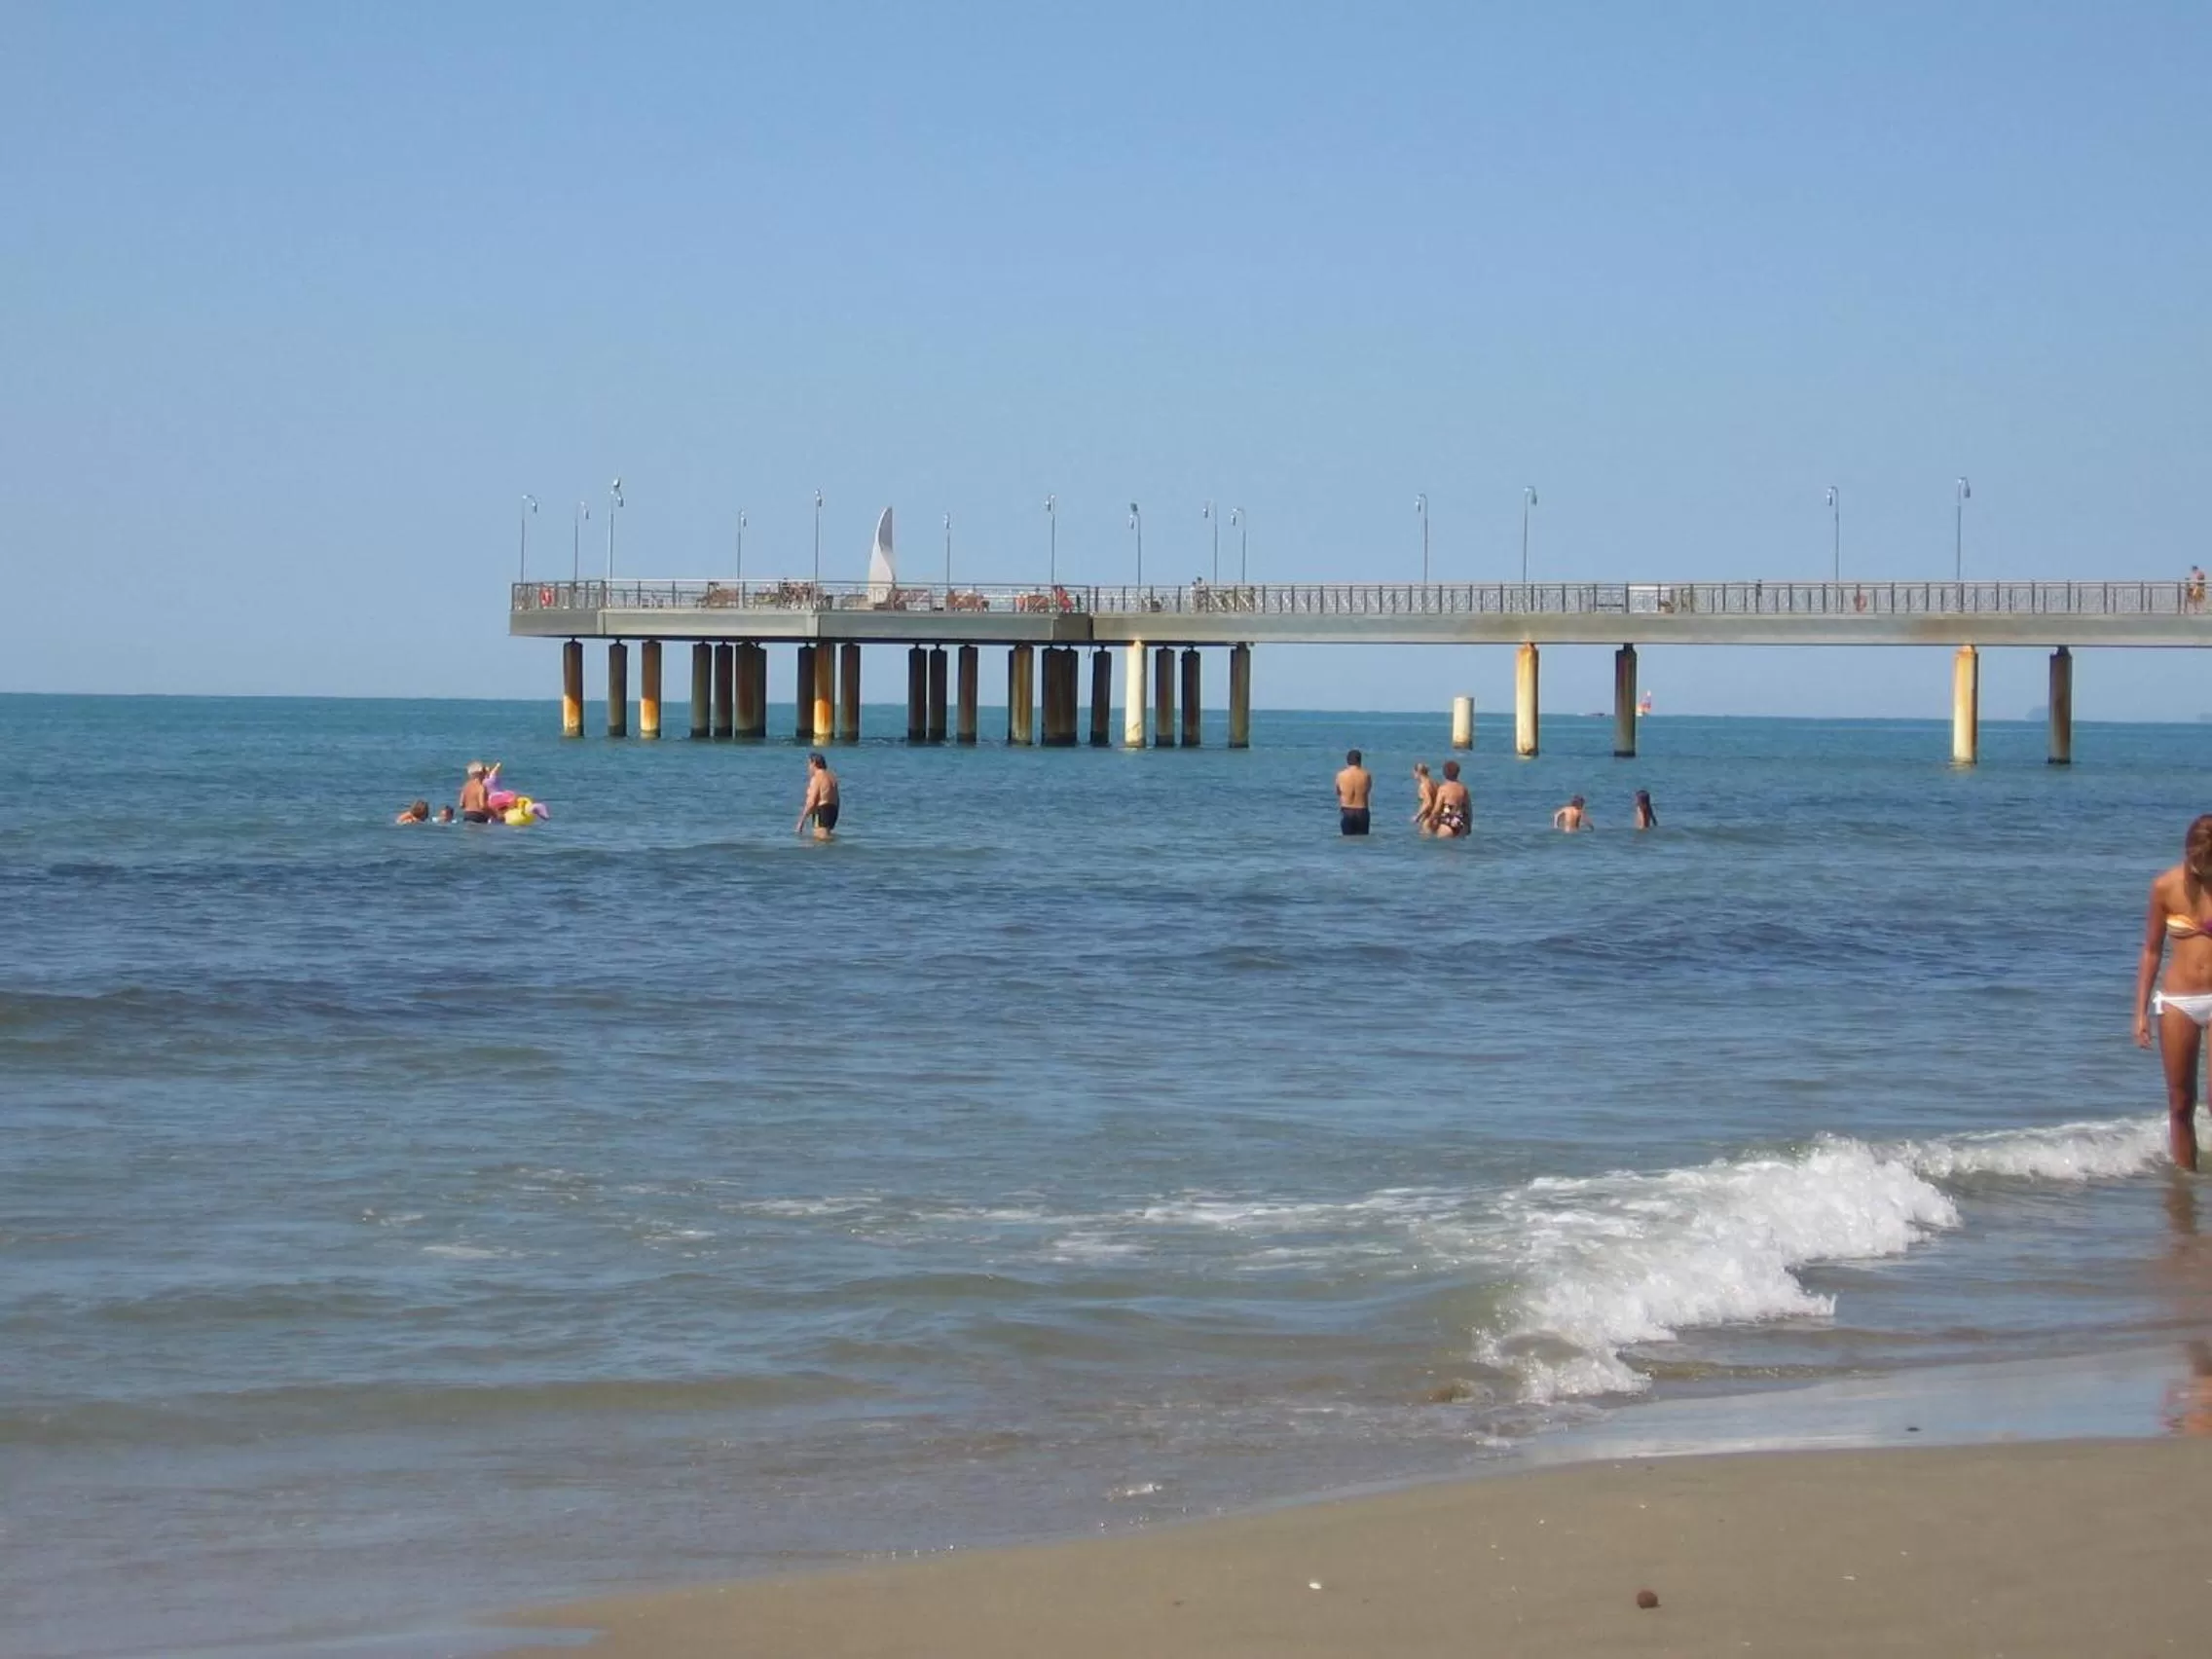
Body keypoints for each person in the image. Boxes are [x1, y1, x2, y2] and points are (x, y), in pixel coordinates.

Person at [2134, 814, 2212, 1169]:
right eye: (2198, 861)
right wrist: (2140, 1013)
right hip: (2178, 1001)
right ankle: (2186, 1184)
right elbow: (2151, 951)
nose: (2201, 870)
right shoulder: (2164, 886)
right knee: (2180, 1104)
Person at [796, 752, 841, 840]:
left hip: (822, 810)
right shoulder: (832, 777)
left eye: (809, 764)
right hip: (833, 810)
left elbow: (811, 801)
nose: (809, 768)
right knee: (827, 839)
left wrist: (801, 822)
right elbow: (837, 799)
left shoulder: (817, 777)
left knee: (820, 841)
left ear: (814, 763)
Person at [1335, 750, 1372, 836]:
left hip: (1347, 811)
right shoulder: (1366, 775)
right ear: (1360, 761)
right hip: (1362, 811)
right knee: (1363, 839)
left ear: (1347, 761)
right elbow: (1367, 790)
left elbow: (1338, 792)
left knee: (1347, 839)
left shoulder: (1341, 775)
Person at [1432, 761, 1471, 838]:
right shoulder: (1463, 789)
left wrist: (1431, 821)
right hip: (1461, 821)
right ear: (1458, 773)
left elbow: (1436, 810)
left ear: (1444, 773)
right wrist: (1469, 825)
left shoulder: (1443, 789)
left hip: (1446, 821)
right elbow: (1468, 809)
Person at [1410, 762, 1438, 834]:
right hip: (1437, 818)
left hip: (1427, 819)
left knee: (1425, 837)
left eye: (1414, 773)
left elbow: (1429, 803)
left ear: (1418, 772)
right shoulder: (1434, 783)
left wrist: (1417, 816)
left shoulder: (1423, 785)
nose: (1413, 775)